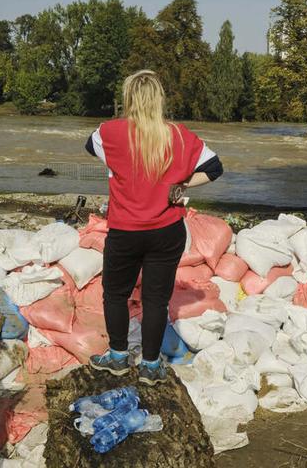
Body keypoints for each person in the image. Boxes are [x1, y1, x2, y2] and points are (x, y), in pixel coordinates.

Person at [84, 69, 224, 385]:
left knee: (115, 294)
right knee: (155, 300)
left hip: (125, 231)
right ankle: (150, 365)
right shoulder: (178, 135)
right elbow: (215, 167)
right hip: (166, 231)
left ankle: (118, 357)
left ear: (128, 98)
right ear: (159, 100)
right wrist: (182, 185)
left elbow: (89, 147)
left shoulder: (110, 132)